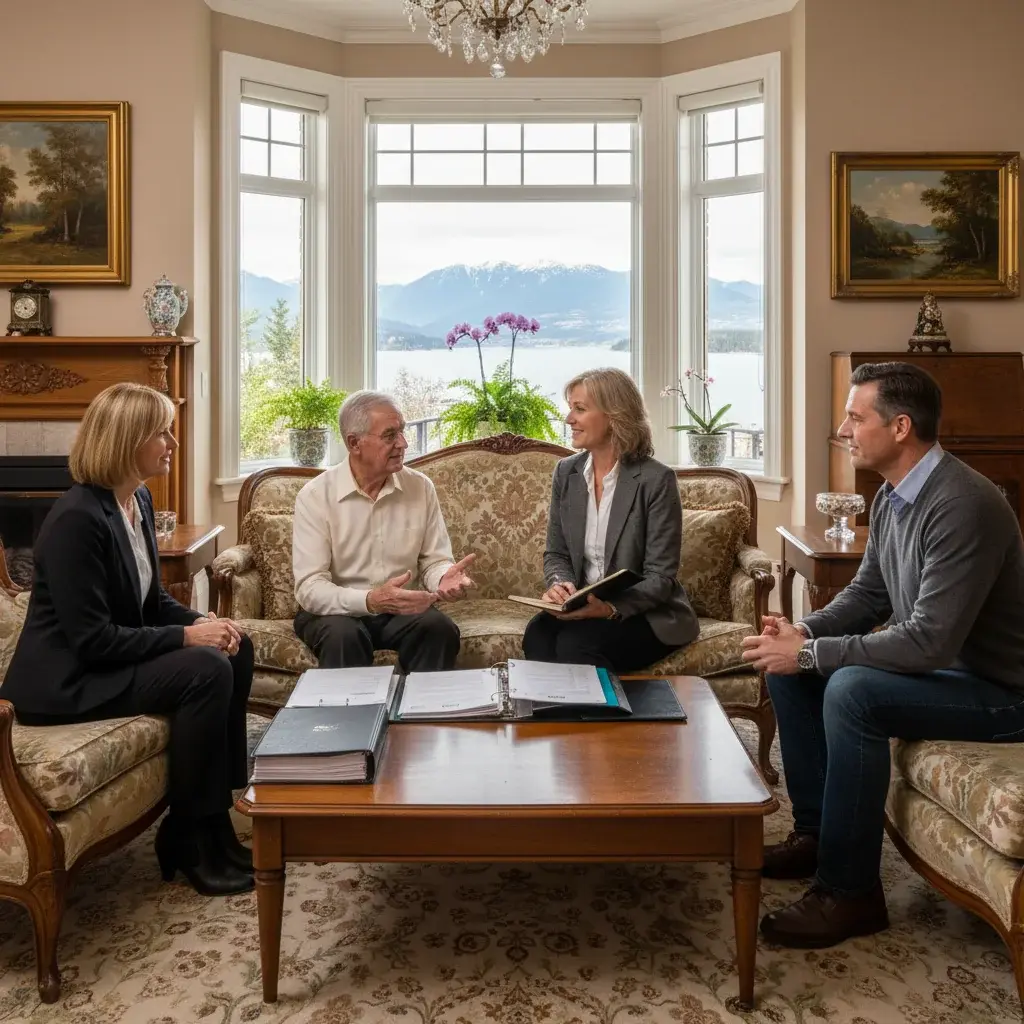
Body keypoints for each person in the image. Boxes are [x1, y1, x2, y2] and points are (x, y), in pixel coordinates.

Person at [742, 361, 1024, 949]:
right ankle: (818, 836)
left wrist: (815, 652)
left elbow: (929, 640)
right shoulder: (897, 494)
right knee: (795, 673)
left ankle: (851, 894)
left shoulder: (962, 504)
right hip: (950, 673)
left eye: (854, 416)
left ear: (899, 427)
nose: (844, 429)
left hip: (1001, 691)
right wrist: (799, 633)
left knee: (851, 690)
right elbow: (869, 594)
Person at [1, 382, 255, 897]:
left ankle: (216, 823)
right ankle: (187, 833)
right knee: (205, 670)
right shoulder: (76, 520)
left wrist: (204, 624)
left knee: (237, 645)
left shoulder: (135, 499)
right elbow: (93, 640)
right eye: (162, 432)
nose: (172, 443)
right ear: (126, 440)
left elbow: (150, 602)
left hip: (103, 660)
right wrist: (188, 638)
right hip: (67, 682)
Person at [522, 368, 699, 672]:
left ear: (614, 416)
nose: (569, 419)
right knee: (536, 636)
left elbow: (660, 576)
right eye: (570, 408)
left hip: (644, 612)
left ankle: (602, 719)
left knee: (574, 646)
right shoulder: (567, 473)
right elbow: (557, 552)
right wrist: (560, 585)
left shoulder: (656, 480)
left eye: (580, 409)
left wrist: (610, 608)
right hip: (583, 606)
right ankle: (557, 719)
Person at [292, 390, 475, 671]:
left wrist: (442, 578)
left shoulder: (420, 487)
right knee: (344, 636)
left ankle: (422, 714)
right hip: (334, 611)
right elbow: (310, 587)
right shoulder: (315, 496)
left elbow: (434, 560)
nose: (402, 443)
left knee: (438, 628)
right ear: (354, 443)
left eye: (402, 432)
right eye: (390, 435)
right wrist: (369, 600)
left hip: (399, 609)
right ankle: (350, 716)